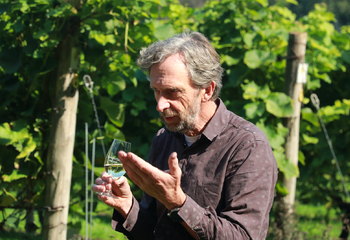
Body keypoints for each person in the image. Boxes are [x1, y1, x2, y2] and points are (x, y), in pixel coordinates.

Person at [93, 32, 278, 240]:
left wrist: (178, 202)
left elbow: (243, 236)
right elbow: (155, 232)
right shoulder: (165, 138)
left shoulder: (247, 147)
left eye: (172, 92)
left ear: (207, 90)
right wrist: (128, 205)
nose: (160, 105)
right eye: (156, 91)